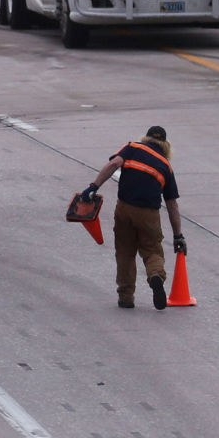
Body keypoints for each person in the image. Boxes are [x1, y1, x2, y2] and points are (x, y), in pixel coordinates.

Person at [83, 125, 185, 310]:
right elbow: (172, 205)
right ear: (165, 144)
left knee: (125, 252)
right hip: (149, 214)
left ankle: (126, 297)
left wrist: (93, 187)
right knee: (152, 250)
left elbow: (113, 164)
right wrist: (178, 235)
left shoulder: (132, 147)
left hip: (124, 208)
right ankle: (155, 276)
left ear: (146, 138)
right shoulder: (165, 166)